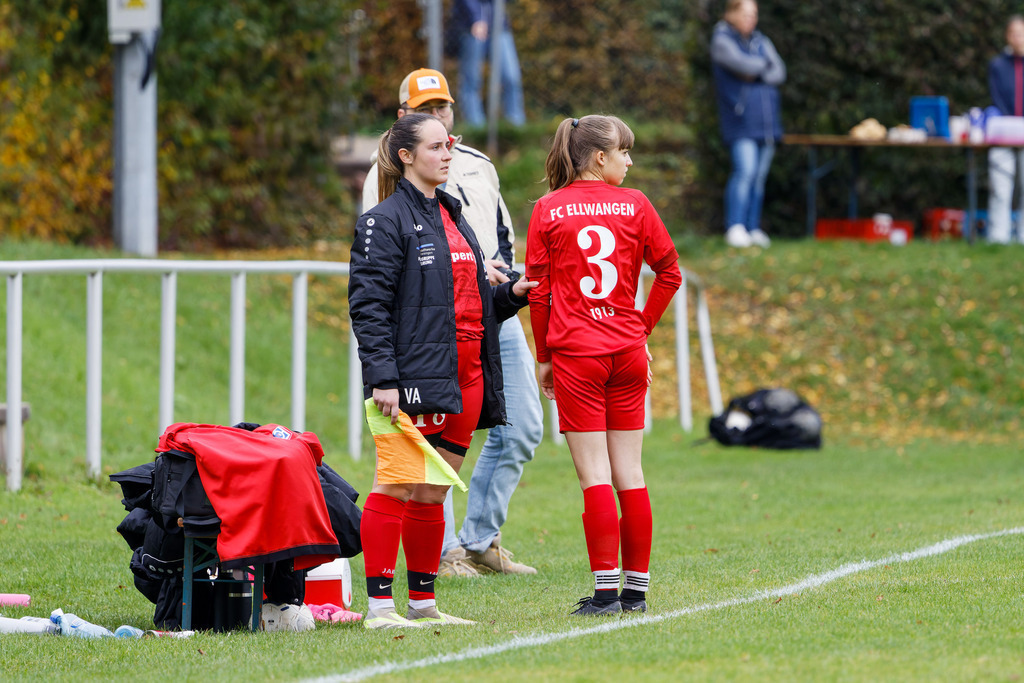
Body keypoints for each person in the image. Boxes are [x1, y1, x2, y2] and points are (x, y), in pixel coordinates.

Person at [349, 113, 536, 629]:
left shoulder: (452, 215)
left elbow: (471, 301)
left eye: (448, 144)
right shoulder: (383, 220)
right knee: (398, 486)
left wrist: (512, 295)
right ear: (406, 156)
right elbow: (369, 308)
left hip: (468, 376)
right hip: (416, 379)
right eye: (435, 147)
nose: (447, 153)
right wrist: (383, 376)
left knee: (434, 490)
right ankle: (380, 608)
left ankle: (424, 603)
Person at [524, 115, 682, 616]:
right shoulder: (636, 205)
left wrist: (543, 356)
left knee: (595, 477)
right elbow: (670, 273)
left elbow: (540, 293)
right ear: (599, 158)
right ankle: (636, 593)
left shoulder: (548, 209)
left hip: (578, 355)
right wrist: (640, 329)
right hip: (627, 354)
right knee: (630, 472)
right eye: (624, 152)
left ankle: (607, 593)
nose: (629, 161)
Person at [710, 0, 785, 249]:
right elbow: (742, 65)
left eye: (754, 14)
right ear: (732, 14)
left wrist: (757, 70)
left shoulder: (761, 40)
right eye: (746, 14)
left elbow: (779, 72)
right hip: (740, 122)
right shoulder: (722, 40)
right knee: (745, 172)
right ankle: (735, 227)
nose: (751, 19)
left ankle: (753, 228)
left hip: (766, 123)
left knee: (759, 178)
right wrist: (762, 66)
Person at [451, 0, 527, 127]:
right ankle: (475, 126)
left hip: (499, 26)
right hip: (471, 27)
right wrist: (476, 18)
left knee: (511, 77)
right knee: (472, 80)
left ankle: (516, 125)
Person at [987, 15, 1024, 245]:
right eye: (1013, 33)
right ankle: (998, 239)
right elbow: (997, 97)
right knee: (1000, 190)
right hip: (1003, 134)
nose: (1017, 38)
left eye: (1021, 33)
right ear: (1007, 36)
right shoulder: (997, 65)